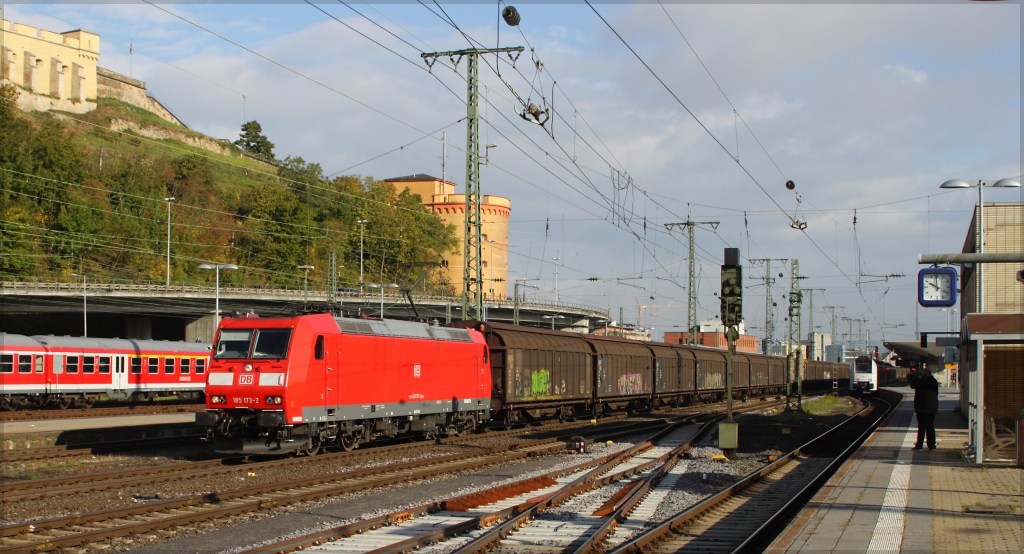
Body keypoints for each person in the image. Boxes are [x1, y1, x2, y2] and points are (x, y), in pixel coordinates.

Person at [908, 364, 939, 450]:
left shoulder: (921, 381)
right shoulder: (934, 381)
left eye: (922, 373)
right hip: (933, 407)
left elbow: (912, 385)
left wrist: (917, 377)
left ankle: (919, 445)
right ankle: (932, 445)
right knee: (930, 426)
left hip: (922, 408)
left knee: (921, 427)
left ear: (925, 374)